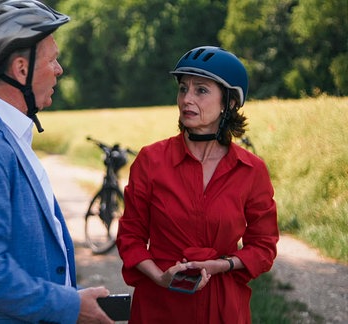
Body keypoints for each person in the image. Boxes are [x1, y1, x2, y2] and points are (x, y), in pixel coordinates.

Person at [0, 1, 113, 323]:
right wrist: (69, 306)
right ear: (21, 69)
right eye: (53, 59)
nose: (60, 69)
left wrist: (72, 295)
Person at [116, 46, 279, 323]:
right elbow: (130, 237)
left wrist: (224, 264)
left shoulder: (252, 170)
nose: (186, 99)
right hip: (159, 305)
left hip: (223, 308)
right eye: (183, 89)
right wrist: (161, 277)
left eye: (201, 90)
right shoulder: (151, 160)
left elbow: (263, 246)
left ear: (228, 102)